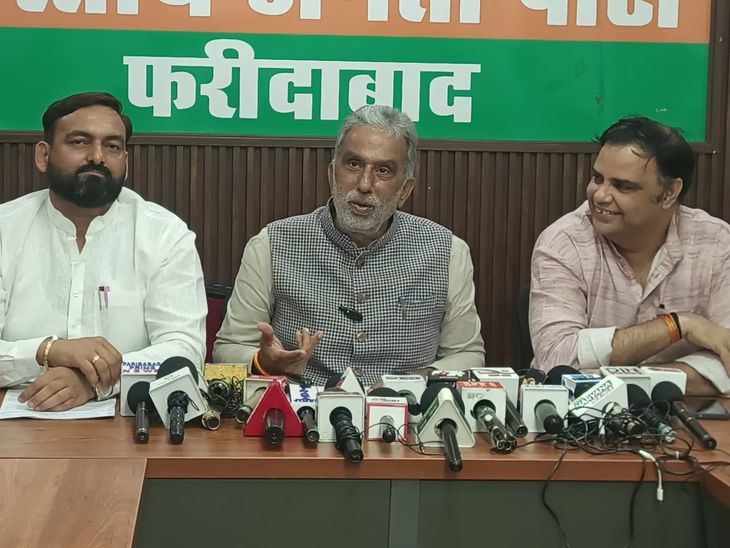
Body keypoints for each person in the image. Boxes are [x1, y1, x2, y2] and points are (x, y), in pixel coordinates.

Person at [214, 105, 484, 386]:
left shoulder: (446, 252)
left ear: (405, 190)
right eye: (353, 164)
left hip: (406, 409)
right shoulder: (271, 244)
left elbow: (467, 355)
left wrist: (410, 382)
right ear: (332, 174)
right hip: (301, 409)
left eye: (383, 170)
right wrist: (264, 362)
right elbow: (228, 349)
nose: (364, 185)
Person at [0, 92, 206, 411]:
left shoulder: (164, 234)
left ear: (126, 161)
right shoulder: (6, 229)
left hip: (128, 422)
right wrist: (47, 351)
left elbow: (184, 350)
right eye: (80, 142)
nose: (97, 157)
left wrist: (95, 381)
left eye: (112, 146)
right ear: (44, 155)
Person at [529, 116, 730, 396]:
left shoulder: (717, 243)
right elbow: (557, 361)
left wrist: (613, 378)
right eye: (597, 178)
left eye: (622, 186)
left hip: (695, 418)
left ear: (669, 193)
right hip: (583, 419)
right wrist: (677, 325)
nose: (600, 195)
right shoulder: (564, 242)